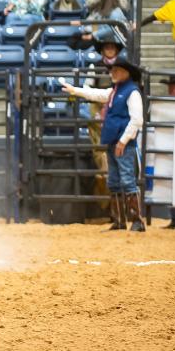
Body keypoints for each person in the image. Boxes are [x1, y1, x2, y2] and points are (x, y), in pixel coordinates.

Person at [60, 57, 146, 232]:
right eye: (112, 70)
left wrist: (123, 141)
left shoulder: (131, 92)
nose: (112, 73)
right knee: (114, 181)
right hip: (115, 142)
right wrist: (75, 90)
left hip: (122, 143)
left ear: (125, 73)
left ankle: (136, 220)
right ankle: (120, 221)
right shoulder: (117, 91)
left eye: (116, 70)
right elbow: (96, 94)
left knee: (127, 180)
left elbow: (137, 120)